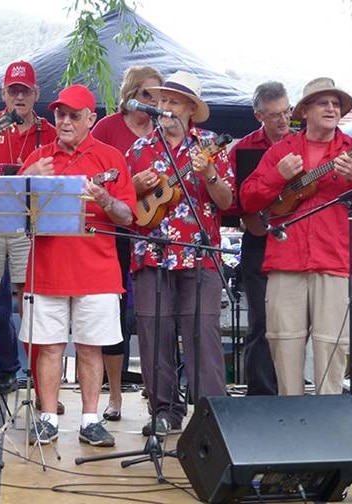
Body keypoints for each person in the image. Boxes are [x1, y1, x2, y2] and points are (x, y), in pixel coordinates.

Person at [240, 77, 352, 396]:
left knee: (331, 346)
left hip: (332, 262)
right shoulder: (283, 151)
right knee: (283, 343)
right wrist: (279, 176)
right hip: (285, 260)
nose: (331, 108)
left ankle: (328, 425)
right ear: (304, 111)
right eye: (323, 103)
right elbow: (248, 199)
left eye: (335, 104)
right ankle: (292, 423)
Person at [19, 84, 135, 447]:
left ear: (91, 119)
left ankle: (90, 419)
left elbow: (128, 216)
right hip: (47, 268)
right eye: (59, 115)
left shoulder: (111, 157)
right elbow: (12, 217)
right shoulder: (40, 156)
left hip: (97, 270)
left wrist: (105, 197)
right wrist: (30, 180)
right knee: (50, 347)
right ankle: (49, 419)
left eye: (73, 115)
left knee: (90, 348)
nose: (64, 121)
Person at [128, 71, 234, 437]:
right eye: (162, 100)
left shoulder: (209, 145)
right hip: (151, 254)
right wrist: (133, 188)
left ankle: (211, 415)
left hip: (199, 252)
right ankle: (163, 411)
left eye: (174, 101)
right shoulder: (139, 150)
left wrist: (210, 176)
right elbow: (126, 211)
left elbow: (227, 201)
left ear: (191, 108)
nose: (166, 107)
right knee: (153, 336)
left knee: (202, 335)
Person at [0, 61, 58, 410]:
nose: (20, 96)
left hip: (32, 223)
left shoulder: (50, 132)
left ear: (36, 94)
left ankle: (44, 391)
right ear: (4, 94)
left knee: (33, 305)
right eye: (14, 90)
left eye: (25, 90)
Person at [92, 65, 163, 421]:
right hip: (116, 236)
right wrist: (130, 188)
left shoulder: (164, 130)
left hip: (155, 234)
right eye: (150, 94)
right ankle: (115, 395)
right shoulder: (106, 129)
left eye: (160, 95)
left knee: (157, 316)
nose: (156, 102)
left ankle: (160, 393)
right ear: (132, 94)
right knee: (114, 316)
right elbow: (93, 184)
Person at [226, 82, 293, 396]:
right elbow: (234, 203)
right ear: (258, 116)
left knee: (293, 322)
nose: (283, 120)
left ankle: (291, 391)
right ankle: (261, 394)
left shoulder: (303, 143)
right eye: (275, 115)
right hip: (259, 237)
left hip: (295, 237)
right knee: (261, 322)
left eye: (287, 112)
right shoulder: (244, 149)